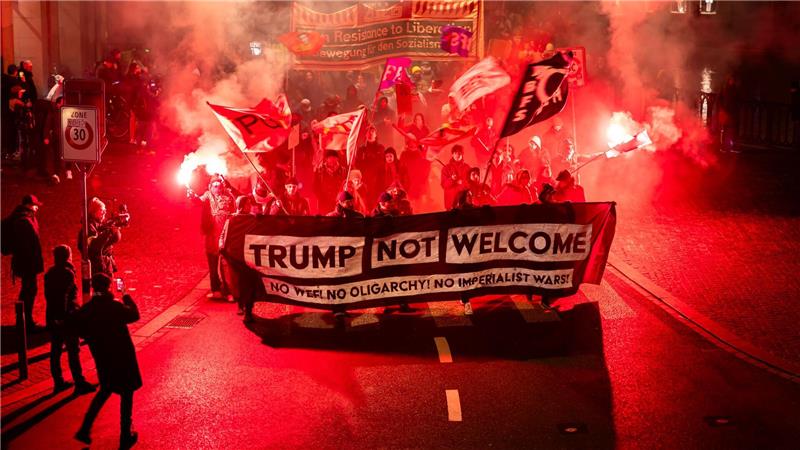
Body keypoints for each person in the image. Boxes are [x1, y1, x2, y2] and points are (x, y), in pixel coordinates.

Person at [72, 273, 141, 449]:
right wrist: (125, 294)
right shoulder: (114, 307)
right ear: (109, 287)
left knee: (105, 390)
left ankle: (85, 428)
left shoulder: (88, 310)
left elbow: (78, 327)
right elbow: (134, 315)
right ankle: (125, 433)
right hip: (122, 356)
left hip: (103, 357)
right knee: (126, 394)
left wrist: (91, 337)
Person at [44, 244, 96, 395]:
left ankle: (58, 381)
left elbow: (50, 296)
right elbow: (64, 297)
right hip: (67, 317)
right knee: (73, 350)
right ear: (68, 257)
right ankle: (79, 382)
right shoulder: (67, 274)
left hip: (52, 316)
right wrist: (62, 316)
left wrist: (54, 317)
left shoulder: (50, 274)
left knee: (55, 350)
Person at [189, 177, 236, 300]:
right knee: (213, 264)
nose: (217, 189)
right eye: (214, 186)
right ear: (210, 187)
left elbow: (235, 212)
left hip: (225, 235)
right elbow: (197, 201)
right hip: (211, 236)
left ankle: (229, 291)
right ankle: (216, 290)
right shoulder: (207, 196)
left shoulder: (229, 196)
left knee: (226, 264)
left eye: (219, 186)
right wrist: (192, 196)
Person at [4, 195, 45, 330]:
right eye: (35, 205)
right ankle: (25, 321)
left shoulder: (26, 218)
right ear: (28, 205)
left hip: (27, 262)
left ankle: (24, 320)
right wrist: (32, 260)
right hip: (27, 263)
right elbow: (25, 244)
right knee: (29, 290)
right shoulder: (23, 221)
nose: (37, 207)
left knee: (28, 289)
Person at [79, 197, 122, 278]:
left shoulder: (98, 225)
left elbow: (113, 240)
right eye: (102, 210)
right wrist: (109, 232)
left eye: (105, 210)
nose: (104, 213)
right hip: (99, 267)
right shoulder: (89, 227)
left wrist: (114, 228)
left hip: (104, 264)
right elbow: (95, 246)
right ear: (94, 212)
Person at [313, 150, 347, 215]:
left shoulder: (343, 171)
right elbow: (316, 186)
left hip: (339, 202)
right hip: (324, 202)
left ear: (337, 159)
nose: (332, 160)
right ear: (326, 159)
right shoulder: (320, 171)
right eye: (330, 158)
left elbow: (345, 185)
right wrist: (321, 197)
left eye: (334, 157)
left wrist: (341, 198)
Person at [440, 145, 470, 210]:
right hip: (450, 203)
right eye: (455, 153)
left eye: (459, 153)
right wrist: (452, 179)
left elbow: (470, 184)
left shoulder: (467, 168)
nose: (457, 155)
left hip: (464, 203)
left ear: (462, 154)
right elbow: (443, 185)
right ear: (452, 154)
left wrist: (462, 182)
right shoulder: (446, 169)